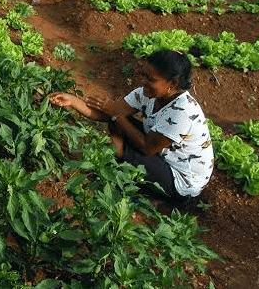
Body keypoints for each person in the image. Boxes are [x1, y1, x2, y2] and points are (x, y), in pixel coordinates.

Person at [49, 50, 214, 204]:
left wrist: (117, 116)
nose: (144, 82)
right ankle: (116, 156)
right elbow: (109, 113)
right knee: (116, 122)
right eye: (144, 76)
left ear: (173, 83)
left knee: (119, 127)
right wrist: (72, 101)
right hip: (161, 152)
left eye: (151, 79)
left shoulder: (182, 111)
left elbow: (148, 148)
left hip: (181, 181)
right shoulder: (146, 93)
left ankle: (113, 157)